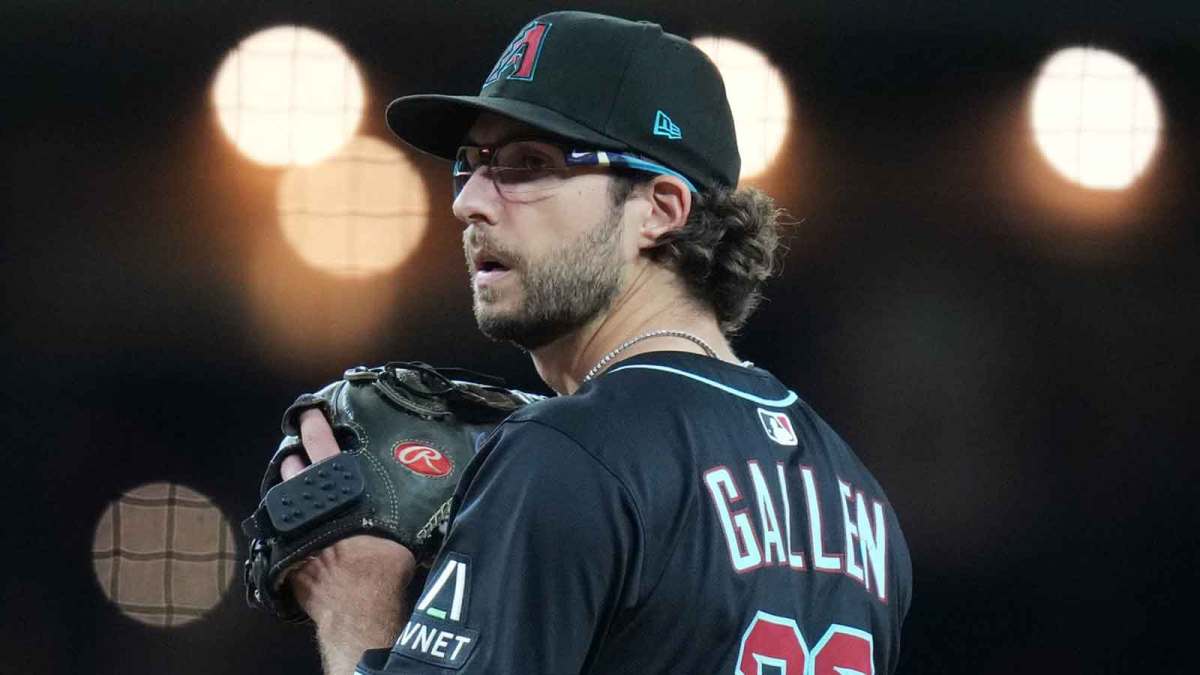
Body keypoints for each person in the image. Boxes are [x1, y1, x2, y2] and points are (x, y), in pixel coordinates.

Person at [280, 10, 912, 674]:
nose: (469, 201)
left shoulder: (569, 453)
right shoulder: (860, 500)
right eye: (471, 163)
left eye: (528, 164)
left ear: (661, 210)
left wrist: (358, 602)